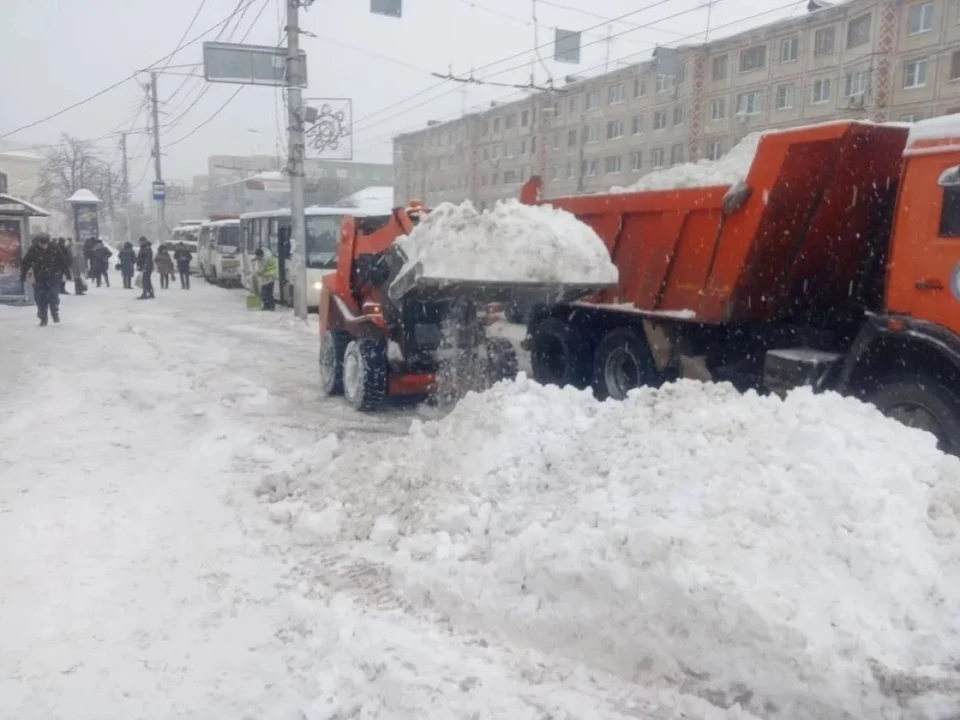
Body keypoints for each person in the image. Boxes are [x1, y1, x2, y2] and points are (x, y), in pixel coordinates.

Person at [20, 233, 69, 326]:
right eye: (42, 244)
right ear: (38, 243)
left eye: (46, 243)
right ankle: (43, 318)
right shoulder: (33, 249)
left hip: (54, 275)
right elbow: (25, 263)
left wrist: (67, 273)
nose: (44, 246)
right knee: (40, 298)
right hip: (40, 277)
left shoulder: (54, 247)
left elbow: (63, 260)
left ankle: (55, 313)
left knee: (53, 295)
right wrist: (23, 276)